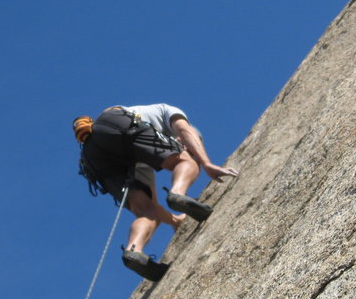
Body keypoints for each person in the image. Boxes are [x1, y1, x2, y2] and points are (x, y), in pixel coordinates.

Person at [72, 104, 238, 278]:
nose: (189, 148)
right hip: (116, 123)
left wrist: (175, 221)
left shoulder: (144, 154)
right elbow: (184, 130)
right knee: (186, 162)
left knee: (145, 211)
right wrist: (206, 163)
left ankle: (134, 250)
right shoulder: (168, 113)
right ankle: (179, 191)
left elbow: (152, 210)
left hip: (92, 155)